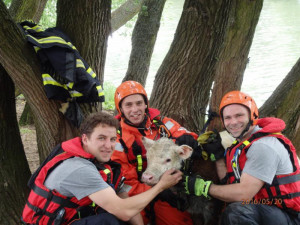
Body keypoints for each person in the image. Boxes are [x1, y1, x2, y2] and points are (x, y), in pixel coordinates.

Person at [21, 112, 182, 225]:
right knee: (109, 221)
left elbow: (123, 196)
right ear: (85, 138)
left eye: (112, 139)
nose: (108, 145)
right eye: (101, 138)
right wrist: (160, 186)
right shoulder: (79, 169)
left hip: (72, 217)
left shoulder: (100, 161)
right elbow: (124, 211)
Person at [184, 90, 300, 225]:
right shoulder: (241, 144)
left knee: (237, 211)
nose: (233, 122)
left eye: (239, 115)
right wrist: (219, 157)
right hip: (265, 208)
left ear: (253, 115)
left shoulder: (263, 146)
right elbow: (231, 185)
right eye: (227, 118)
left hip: (288, 215)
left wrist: (202, 187)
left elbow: (243, 194)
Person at [111, 81, 199, 225]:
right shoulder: (117, 139)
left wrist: (187, 139)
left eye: (139, 103)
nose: (135, 109)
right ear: (120, 108)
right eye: (128, 105)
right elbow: (126, 182)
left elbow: (185, 133)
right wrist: (158, 190)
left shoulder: (161, 124)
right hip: (137, 193)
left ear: (146, 104)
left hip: (166, 187)